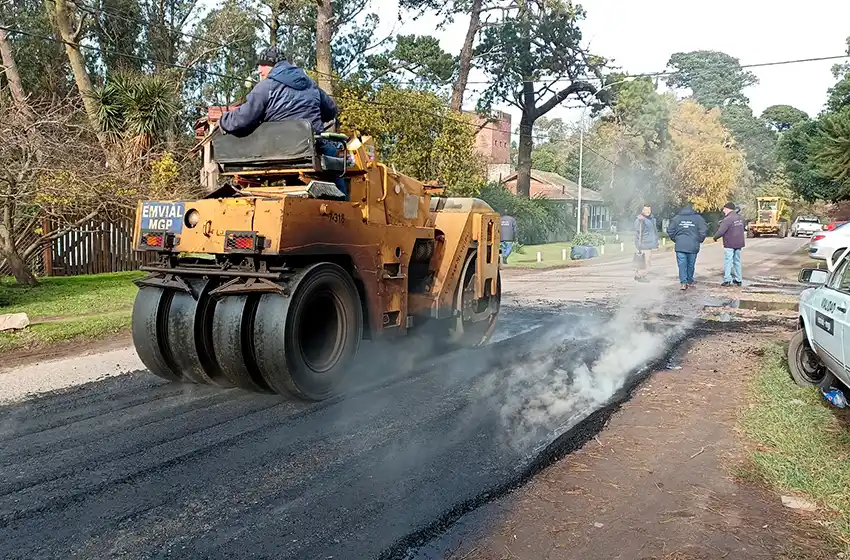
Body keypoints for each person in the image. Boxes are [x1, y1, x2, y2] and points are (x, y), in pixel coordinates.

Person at [218, 47, 347, 196]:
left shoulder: (265, 87)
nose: (259, 70)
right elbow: (331, 111)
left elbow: (243, 118)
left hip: (277, 152)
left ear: (272, 65)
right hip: (311, 150)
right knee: (335, 161)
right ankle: (342, 203)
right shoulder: (310, 84)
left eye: (262, 65)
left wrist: (223, 121)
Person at [667, 204, 708, 291]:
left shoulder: (676, 218)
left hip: (680, 245)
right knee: (691, 264)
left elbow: (670, 231)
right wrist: (699, 240)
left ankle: (683, 282)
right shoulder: (698, 218)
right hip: (693, 245)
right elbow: (703, 231)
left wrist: (676, 239)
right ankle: (689, 280)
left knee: (682, 265)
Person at [713, 202, 746, 287]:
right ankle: (738, 279)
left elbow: (721, 231)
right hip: (739, 243)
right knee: (737, 261)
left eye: (724, 209)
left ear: (728, 209)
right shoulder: (740, 218)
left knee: (728, 261)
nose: (723, 211)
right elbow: (743, 227)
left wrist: (715, 237)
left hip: (729, 243)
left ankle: (727, 279)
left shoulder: (727, 219)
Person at [633, 205, 659, 282]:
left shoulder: (652, 219)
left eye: (649, 210)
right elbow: (638, 231)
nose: (647, 211)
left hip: (649, 243)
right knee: (644, 261)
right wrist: (639, 244)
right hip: (643, 244)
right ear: (642, 210)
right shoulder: (640, 220)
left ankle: (638, 275)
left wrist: (656, 240)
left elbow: (654, 231)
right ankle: (641, 276)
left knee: (646, 260)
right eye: (645, 210)